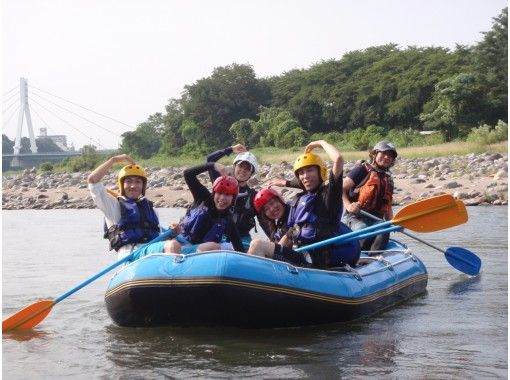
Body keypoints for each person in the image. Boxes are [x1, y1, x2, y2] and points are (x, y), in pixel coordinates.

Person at [279, 140, 361, 269]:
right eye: (301, 173)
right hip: (303, 256)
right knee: (259, 246)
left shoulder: (329, 195)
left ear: (320, 172)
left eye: (310, 170)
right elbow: (291, 234)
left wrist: (321, 143)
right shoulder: (299, 200)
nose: (305, 176)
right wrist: (275, 255)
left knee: (258, 245)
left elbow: (338, 159)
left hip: (319, 261)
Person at [88, 154, 173, 261]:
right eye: (128, 181)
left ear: (143, 186)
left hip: (152, 251)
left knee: (195, 248)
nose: (133, 186)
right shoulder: (113, 206)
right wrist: (114, 160)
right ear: (121, 185)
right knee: (172, 246)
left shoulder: (151, 209)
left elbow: (158, 236)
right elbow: (92, 180)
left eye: (138, 182)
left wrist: (172, 234)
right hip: (131, 254)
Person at [165, 161, 245, 254]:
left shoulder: (227, 219)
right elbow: (188, 174)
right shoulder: (202, 198)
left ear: (233, 198)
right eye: (219, 193)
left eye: (227, 195)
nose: (222, 198)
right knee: (214, 246)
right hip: (183, 247)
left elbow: (239, 247)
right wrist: (212, 165)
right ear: (214, 193)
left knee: (222, 247)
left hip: (204, 253)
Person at [342, 141, 397, 251]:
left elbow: (387, 206)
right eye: (384, 153)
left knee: (384, 227)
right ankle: (359, 255)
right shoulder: (361, 170)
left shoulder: (388, 179)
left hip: (376, 219)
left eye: (390, 156)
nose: (387, 157)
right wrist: (348, 205)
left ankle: (375, 258)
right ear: (375, 154)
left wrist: (393, 223)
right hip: (355, 218)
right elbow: (340, 189)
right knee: (364, 230)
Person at [206, 144, 259, 247]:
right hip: (218, 235)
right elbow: (210, 160)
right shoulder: (221, 182)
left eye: (247, 169)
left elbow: (264, 222)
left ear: (251, 174)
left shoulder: (253, 196)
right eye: (240, 166)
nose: (243, 170)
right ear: (234, 167)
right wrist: (230, 149)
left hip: (242, 239)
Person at [247, 188, 310, 266]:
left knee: (256, 244)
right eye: (266, 209)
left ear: (280, 200)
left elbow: (292, 234)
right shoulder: (278, 225)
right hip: (292, 257)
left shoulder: (295, 211)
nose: (272, 209)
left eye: (272, 203)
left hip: (305, 260)